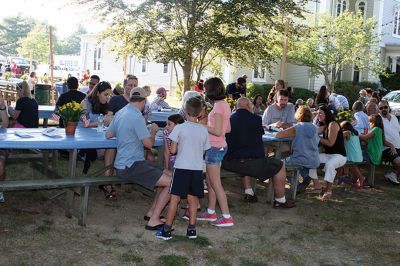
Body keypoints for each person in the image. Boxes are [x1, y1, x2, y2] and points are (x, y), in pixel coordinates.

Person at [106, 87, 171, 230]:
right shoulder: (137, 116)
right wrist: (153, 131)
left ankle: (152, 212)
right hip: (131, 165)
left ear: (131, 99)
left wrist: (126, 133)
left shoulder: (121, 112)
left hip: (125, 163)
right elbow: (148, 144)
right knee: (172, 183)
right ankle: (153, 220)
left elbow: (108, 134)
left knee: (169, 175)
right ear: (143, 101)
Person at [222, 97, 295, 207]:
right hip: (249, 163)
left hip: (229, 162)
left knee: (246, 157)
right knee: (279, 165)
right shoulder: (256, 119)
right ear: (248, 106)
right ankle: (280, 200)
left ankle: (249, 192)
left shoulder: (228, 119)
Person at [156, 97, 210, 240]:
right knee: (193, 200)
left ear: (185, 111)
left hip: (181, 168)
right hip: (197, 169)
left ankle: (167, 230)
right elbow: (204, 151)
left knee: (174, 199)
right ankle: (191, 230)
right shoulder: (204, 130)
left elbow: (173, 150)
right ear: (200, 113)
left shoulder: (179, 128)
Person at [197, 77, 233, 227]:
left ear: (211, 90)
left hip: (214, 147)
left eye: (206, 89)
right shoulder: (224, 105)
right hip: (220, 147)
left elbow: (218, 131)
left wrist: (201, 125)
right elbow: (228, 129)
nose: (204, 91)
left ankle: (226, 216)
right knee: (211, 181)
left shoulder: (218, 107)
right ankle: (211, 212)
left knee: (216, 184)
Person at [276, 105, 320, 193]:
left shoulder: (298, 127)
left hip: (300, 158)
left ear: (298, 115)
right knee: (299, 162)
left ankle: (295, 184)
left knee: (279, 164)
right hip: (313, 159)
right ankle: (305, 176)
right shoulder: (315, 128)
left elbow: (279, 135)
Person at [308, 105, 347, 200]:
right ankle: (317, 186)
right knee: (310, 159)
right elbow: (312, 132)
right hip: (329, 155)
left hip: (339, 156)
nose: (318, 115)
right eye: (317, 113)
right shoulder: (324, 125)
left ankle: (328, 191)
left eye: (320, 113)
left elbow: (330, 143)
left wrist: (317, 138)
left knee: (330, 164)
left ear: (327, 114)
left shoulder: (332, 124)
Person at [357, 114, 384, 187]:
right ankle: (360, 179)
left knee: (354, 159)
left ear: (374, 122)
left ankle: (359, 178)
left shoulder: (376, 129)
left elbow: (365, 138)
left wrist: (357, 134)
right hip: (375, 154)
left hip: (372, 154)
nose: (369, 124)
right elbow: (368, 141)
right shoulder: (379, 130)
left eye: (370, 122)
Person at [378, 100, 400, 184]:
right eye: (381, 108)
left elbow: (398, 132)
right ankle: (393, 174)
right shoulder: (378, 119)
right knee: (398, 162)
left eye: (385, 107)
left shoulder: (394, 118)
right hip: (386, 148)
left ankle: (393, 174)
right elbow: (379, 138)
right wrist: (391, 146)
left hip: (398, 146)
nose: (383, 109)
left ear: (389, 107)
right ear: (379, 110)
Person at [340, 121, 363, 186]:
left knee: (343, 160)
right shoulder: (355, 133)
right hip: (357, 156)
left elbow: (338, 137)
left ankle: (360, 178)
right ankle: (346, 177)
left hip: (353, 156)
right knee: (346, 161)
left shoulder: (347, 132)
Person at [0, 94, 9, 203]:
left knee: (0, 164)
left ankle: (0, 190)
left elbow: (6, 124)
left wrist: (2, 106)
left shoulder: (2, 102)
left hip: (1, 143)